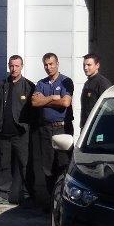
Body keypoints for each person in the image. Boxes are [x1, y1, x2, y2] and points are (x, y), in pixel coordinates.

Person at [0, 54, 34, 206]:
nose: (14, 69)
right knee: (4, 165)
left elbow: (34, 111)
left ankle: (27, 196)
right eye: (11, 66)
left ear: (22, 66)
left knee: (25, 165)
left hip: (21, 134)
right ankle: (2, 194)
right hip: (3, 134)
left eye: (17, 66)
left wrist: (27, 127)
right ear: (8, 66)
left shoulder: (29, 86)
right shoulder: (2, 85)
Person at [28, 52, 74, 208]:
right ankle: (51, 201)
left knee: (63, 164)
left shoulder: (66, 81)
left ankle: (64, 201)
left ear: (57, 63)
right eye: (46, 65)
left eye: (51, 64)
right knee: (47, 167)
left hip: (61, 129)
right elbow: (34, 102)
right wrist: (53, 98)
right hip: (45, 130)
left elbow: (66, 103)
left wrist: (44, 100)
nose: (48, 67)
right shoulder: (41, 83)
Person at [80, 53, 113, 128]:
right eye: (84, 65)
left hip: (98, 127)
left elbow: (109, 107)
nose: (85, 68)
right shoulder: (88, 83)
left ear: (97, 65)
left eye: (89, 65)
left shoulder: (102, 83)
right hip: (86, 126)